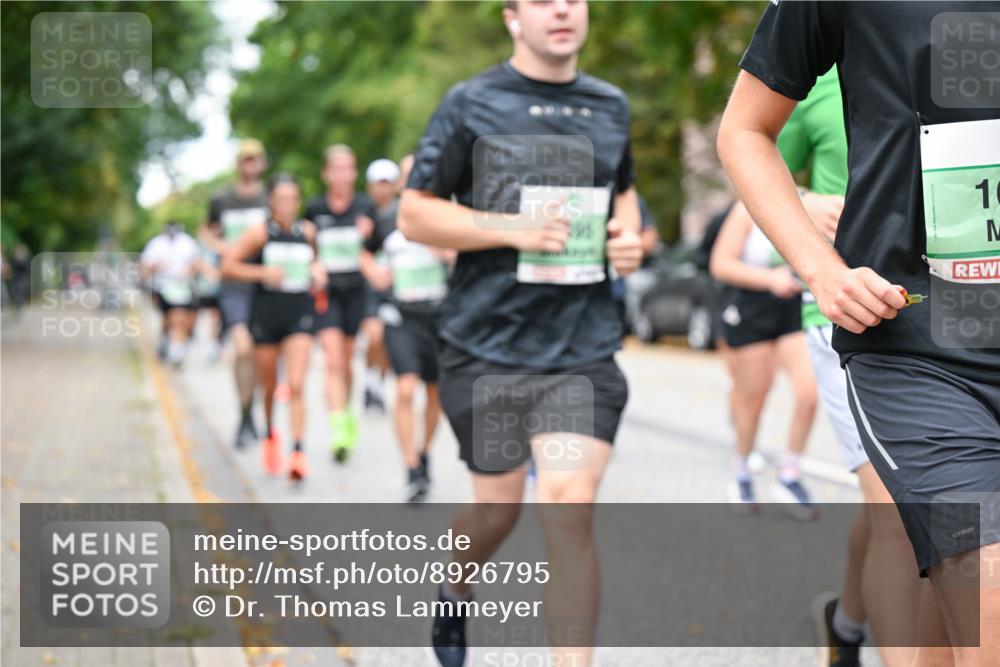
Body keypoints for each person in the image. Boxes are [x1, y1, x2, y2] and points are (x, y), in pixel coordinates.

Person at [718, 3, 999, 665]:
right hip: (921, 346)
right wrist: (820, 270)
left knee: (955, 588)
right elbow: (744, 131)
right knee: (967, 575)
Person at [399, 0, 643, 664]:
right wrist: (510, 228)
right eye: (541, 0)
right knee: (496, 513)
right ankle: (454, 587)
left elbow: (621, 194)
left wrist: (628, 240)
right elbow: (415, 215)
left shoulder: (610, 106)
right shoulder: (471, 101)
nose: (561, 9)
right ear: (512, 18)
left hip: (582, 344)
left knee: (568, 506)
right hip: (487, 346)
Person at [772, 64, 923, 667]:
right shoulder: (816, 73)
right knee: (898, 510)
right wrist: (805, 201)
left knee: (894, 502)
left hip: (959, 313)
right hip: (848, 318)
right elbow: (751, 152)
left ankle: (849, 620)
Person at [710, 203, 819, 518]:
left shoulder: (804, 202)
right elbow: (721, 264)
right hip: (751, 306)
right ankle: (741, 468)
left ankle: (790, 475)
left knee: (809, 392)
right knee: (754, 397)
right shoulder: (745, 209)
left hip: (793, 306)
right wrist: (770, 279)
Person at [221, 174, 325, 482]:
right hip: (266, 315)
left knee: (295, 384)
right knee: (269, 385)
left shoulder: (307, 232)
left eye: (292, 198)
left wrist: (317, 272)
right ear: (271, 202)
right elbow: (227, 265)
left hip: (299, 314)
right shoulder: (259, 234)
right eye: (280, 199)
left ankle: (297, 452)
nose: (287, 205)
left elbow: (316, 263)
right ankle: (270, 435)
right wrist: (263, 271)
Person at [362, 155, 450, 503]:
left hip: (439, 318)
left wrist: (443, 248)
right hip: (401, 317)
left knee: (435, 395)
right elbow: (364, 253)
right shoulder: (387, 219)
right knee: (404, 388)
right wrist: (372, 270)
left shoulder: (448, 215)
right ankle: (412, 467)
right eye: (407, 176)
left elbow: (465, 257)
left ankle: (424, 451)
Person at [305, 144, 377, 463]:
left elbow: (376, 250)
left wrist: (368, 243)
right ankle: (337, 428)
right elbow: (305, 250)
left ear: (355, 172)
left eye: (348, 167)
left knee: (347, 361)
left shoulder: (366, 207)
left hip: (357, 291)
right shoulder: (314, 209)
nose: (342, 174)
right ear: (326, 173)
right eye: (336, 168)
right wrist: (314, 265)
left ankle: (346, 413)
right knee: (333, 359)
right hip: (328, 293)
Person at [205, 138, 270, 448]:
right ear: (237, 164)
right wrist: (220, 248)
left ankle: (250, 413)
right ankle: (243, 413)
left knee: (259, 354)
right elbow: (206, 230)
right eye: (244, 159)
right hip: (233, 283)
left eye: (254, 159)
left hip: (264, 282)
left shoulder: (270, 198)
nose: (249, 164)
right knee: (242, 347)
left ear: (262, 163)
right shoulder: (222, 198)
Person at [360, 158, 402, 414]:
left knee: (387, 340)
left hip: (396, 287)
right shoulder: (361, 211)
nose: (382, 189)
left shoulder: (401, 213)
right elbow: (363, 252)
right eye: (378, 184)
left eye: (387, 183)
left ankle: (376, 383)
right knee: (374, 337)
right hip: (366, 287)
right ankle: (370, 379)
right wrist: (372, 272)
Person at [140, 222, 200, 368]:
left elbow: (196, 263)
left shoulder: (187, 243)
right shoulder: (156, 244)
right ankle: (167, 342)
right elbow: (145, 267)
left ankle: (176, 351)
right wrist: (155, 267)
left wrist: (188, 271)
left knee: (179, 318)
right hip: (161, 287)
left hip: (182, 288)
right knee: (168, 319)